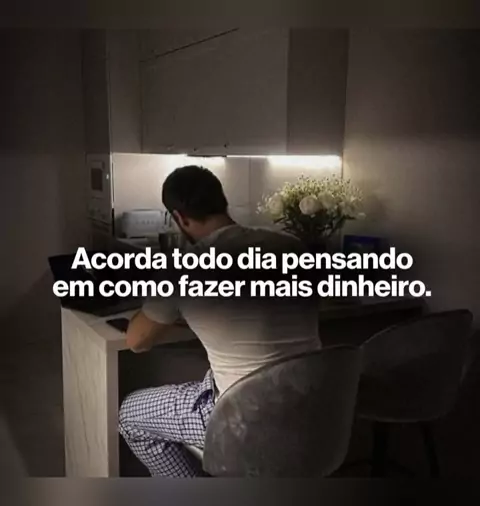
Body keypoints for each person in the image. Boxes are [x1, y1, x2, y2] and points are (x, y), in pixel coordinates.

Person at [119, 165, 321, 477]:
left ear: (179, 218)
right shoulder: (291, 246)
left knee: (130, 415)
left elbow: (137, 341)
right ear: (221, 201)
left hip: (245, 423)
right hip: (313, 410)